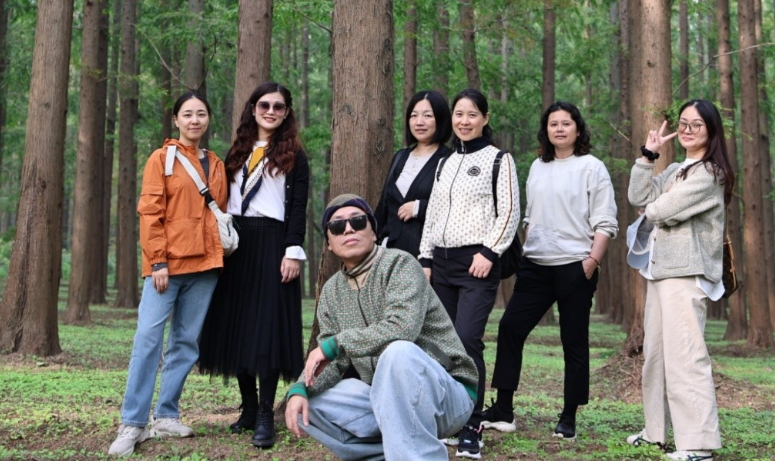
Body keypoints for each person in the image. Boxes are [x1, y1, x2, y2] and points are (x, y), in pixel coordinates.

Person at [284, 194, 478, 460]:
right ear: (329, 242)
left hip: (447, 393)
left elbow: (402, 328)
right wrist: (300, 388)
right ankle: (396, 453)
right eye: (337, 226)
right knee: (309, 402)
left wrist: (336, 344)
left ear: (373, 232)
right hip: (385, 398)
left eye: (358, 221)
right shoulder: (331, 292)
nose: (348, 229)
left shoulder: (400, 264)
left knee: (398, 352)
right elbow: (333, 362)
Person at [479, 101, 617, 441]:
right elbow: (530, 215)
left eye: (566, 123)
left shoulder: (592, 167)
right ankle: (503, 410)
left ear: (578, 129)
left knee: (573, 341)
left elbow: (605, 221)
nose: (559, 129)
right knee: (510, 327)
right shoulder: (538, 167)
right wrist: (529, 245)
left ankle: (568, 416)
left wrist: (592, 261)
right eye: (553, 124)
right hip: (536, 266)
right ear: (546, 130)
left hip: (576, 267)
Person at [108, 93, 227, 457]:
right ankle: (133, 423)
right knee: (147, 339)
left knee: (185, 343)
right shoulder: (161, 159)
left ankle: (166, 415)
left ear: (208, 119)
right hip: (167, 267)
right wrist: (157, 261)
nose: (195, 120)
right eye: (187, 114)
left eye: (201, 114)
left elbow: (218, 213)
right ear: (176, 120)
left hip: (205, 268)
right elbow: (150, 212)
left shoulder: (216, 164)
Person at [198, 82, 309, 448]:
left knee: (267, 329)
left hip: (273, 243)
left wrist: (292, 251)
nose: (271, 111)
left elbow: (298, 207)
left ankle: (265, 414)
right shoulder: (238, 151)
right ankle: (247, 407)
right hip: (236, 244)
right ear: (253, 108)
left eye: (278, 106)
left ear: (286, 112)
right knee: (238, 325)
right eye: (265, 105)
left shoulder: (294, 155)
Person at [625, 99, 732, 461]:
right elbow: (638, 197)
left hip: (686, 274)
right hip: (660, 271)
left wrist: (654, 208)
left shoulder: (710, 173)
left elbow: (659, 210)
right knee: (655, 357)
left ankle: (698, 443)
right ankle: (654, 432)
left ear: (711, 130)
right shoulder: (674, 169)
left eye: (696, 124)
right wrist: (648, 155)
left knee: (686, 357)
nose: (687, 130)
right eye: (683, 124)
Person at [418, 88, 520, 459]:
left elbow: (509, 211)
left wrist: (490, 252)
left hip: (477, 264)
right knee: (443, 344)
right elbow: (433, 213)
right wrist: (425, 258)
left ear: (485, 119)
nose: (464, 121)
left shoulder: (499, 159)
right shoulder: (445, 162)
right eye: (459, 114)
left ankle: (472, 424)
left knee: (466, 340)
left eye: (472, 114)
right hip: (441, 264)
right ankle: (449, 418)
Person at [374, 90, 452, 256]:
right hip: (388, 252)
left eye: (427, 116)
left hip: (425, 256)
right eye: (414, 116)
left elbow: (457, 208)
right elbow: (383, 207)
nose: (419, 122)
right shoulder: (400, 157)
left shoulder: (450, 160)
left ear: (441, 119)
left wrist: (420, 208)